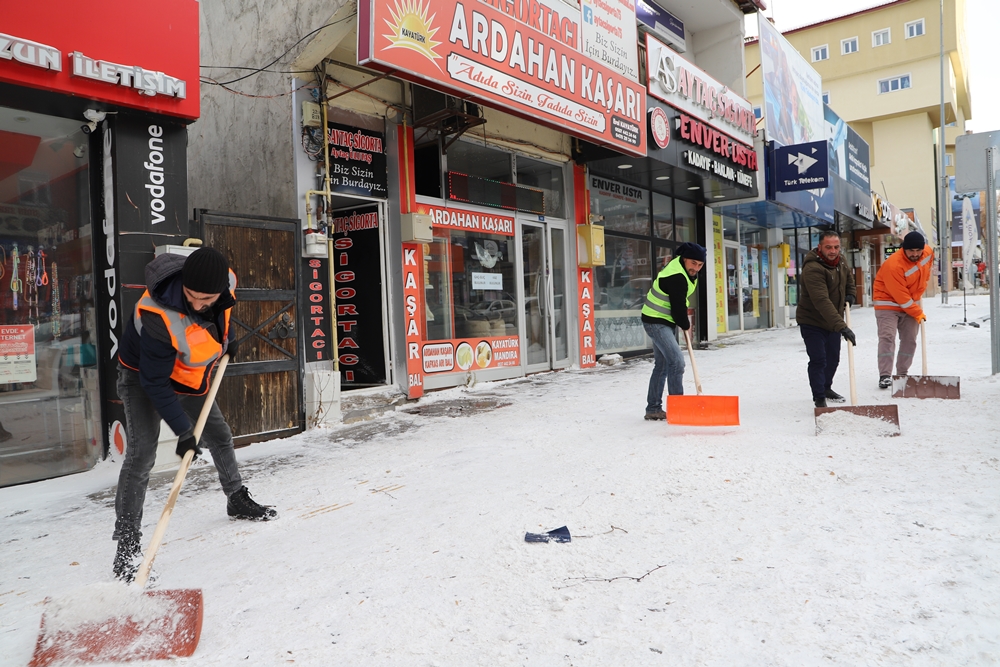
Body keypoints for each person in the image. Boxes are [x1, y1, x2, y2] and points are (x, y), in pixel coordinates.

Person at [113, 247, 276, 582]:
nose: (198, 304)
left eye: (207, 299)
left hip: (186, 375)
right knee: (142, 455)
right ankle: (127, 547)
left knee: (220, 435)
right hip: (142, 378)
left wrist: (228, 340)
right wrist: (184, 431)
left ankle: (236, 499)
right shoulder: (157, 314)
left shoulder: (227, 284)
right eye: (191, 296)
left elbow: (221, 315)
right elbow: (155, 383)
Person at [640, 242, 706, 420]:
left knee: (662, 365)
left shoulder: (683, 269)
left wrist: (682, 322)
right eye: (693, 263)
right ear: (684, 259)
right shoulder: (677, 276)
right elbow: (678, 310)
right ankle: (679, 410)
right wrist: (685, 324)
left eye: (700, 265)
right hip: (655, 321)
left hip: (663, 319)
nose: (696, 268)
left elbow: (679, 302)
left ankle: (653, 409)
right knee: (677, 363)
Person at [796, 230, 857, 408]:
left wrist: (851, 295)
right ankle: (819, 397)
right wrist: (842, 326)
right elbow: (821, 301)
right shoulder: (812, 268)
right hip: (812, 321)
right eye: (828, 247)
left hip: (832, 321)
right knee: (819, 359)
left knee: (833, 359)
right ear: (820, 247)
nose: (833, 251)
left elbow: (849, 281)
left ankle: (826, 387)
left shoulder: (841, 261)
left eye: (836, 247)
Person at [872, 231, 933, 388]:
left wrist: (920, 290)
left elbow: (926, 272)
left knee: (909, 339)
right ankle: (885, 375)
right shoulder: (893, 265)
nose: (915, 254)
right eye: (911, 251)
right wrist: (917, 312)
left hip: (910, 301)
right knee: (887, 337)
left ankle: (902, 374)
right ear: (903, 248)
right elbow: (901, 297)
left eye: (918, 250)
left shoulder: (928, 252)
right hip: (887, 302)